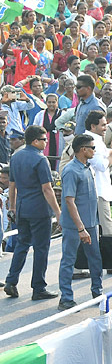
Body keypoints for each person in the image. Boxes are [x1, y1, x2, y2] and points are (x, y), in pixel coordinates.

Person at [4, 125, 59, 301]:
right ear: (35, 141)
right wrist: (58, 213)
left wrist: (12, 207)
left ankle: (11, 281)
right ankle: (38, 287)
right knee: (41, 248)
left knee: (22, 245)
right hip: (39, 210)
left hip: (22, 208)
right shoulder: (41, 160)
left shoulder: (16, 156)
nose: (46, 142)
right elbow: (47, 189)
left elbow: (12, 185)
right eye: (44, 139)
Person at [58, 133, 102, 311]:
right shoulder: (71, 171)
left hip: (90, 223)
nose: (94, 150)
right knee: (69, 260)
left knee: (96, 259)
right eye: (92, 148)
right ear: (83, 150)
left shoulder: (87, 167)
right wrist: (80, 228)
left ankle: (97, 292)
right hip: (75, 226)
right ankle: (66, 297)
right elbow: (69, 201)